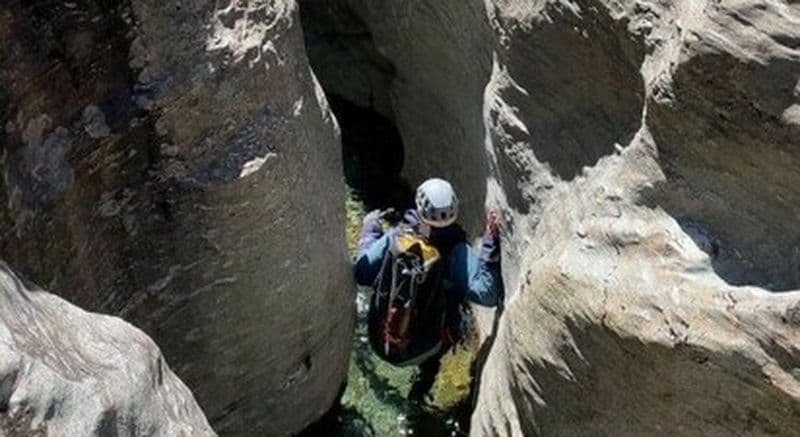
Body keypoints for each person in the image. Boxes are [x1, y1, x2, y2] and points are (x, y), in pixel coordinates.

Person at [354, 177, 503, 401]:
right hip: (426, 346)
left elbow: (362, 273)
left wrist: (370, 228)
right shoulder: (456, 251)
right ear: (455, 207)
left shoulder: (398, 236)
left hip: (378, 337)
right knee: (444, 335)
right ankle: (421, 389)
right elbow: (487, 294)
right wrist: (490, 242)